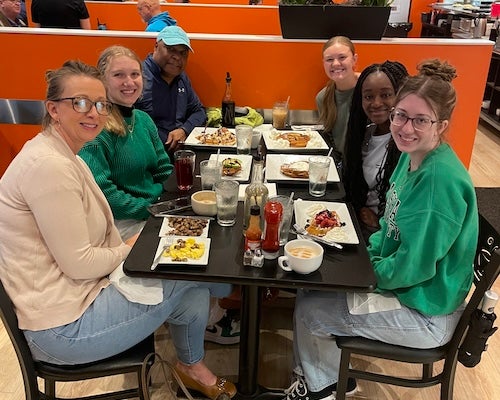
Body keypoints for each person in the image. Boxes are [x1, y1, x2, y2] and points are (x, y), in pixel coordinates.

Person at [0, 60, 236, 400]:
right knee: (194, 270)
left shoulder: (65, 154)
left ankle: (191, 366)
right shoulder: (48, 168)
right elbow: (80, 263)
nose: (93, 113)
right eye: (79, 103)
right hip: (63, 330)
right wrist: (132, 247)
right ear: (53, 109)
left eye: (100, 104)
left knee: (194, 290)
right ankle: (231, 291)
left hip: (83, 295)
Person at [283, 59, 478, 400]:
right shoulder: (411, 154)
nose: (405, 127)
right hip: (407, 287)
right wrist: (363, 256)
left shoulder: (437, 183)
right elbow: (390, 230)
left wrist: (361, 273)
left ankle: (322, 389)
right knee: (309, 284)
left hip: (426, 310)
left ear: (442, 125)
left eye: (421, 120)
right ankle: (329, 378)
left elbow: (412, 267)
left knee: (311, 312)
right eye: (400, 115)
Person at [79, 45, 172, 241]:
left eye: (134, 74)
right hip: (121, 222)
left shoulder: (143, 119)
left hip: (153, 209)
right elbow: (103, 193)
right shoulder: (96, 128)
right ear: (102, 80)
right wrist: (150, 209)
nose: (129, 82)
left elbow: (163, 168)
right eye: (119, 75)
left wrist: (176, 198)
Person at [343, 61, 408, 241]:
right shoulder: (366, 134)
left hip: (382, 235)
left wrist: (380, 221)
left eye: (386, 95)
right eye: (369, 97)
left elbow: (409, 207)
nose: (376, 103)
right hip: (357, 220)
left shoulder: (406, 144)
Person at [135, 25, 206, 152]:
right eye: (170, 49)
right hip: (149, 154)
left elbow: (199, 111)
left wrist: (184, 130)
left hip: (180, 154)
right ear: (156, 46)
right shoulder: (136, 77)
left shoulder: (181, 79)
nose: (177, 57)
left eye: (183, 53)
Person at [316, 36, 358, 162]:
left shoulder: (369, 91)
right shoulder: (322, 98)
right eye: (329, 59)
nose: (335, 63)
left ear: (354, 59)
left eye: (342, 57)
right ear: (323, 63)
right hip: (341, 164)